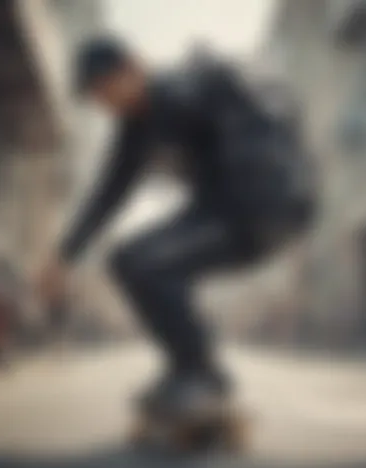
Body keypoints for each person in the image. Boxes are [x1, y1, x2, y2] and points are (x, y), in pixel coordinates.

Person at [40, 36, 315, 414]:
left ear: (132, 68)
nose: (104, 105)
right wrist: (64, 255)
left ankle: (199, 373)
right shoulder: (137, 125)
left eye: (104, 90)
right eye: (95, 98)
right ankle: (192, 368)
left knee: (143, 262)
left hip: (258, 206)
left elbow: (249, 114)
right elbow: (109, 192)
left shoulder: (179, 89)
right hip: (238, 209)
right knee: (131, 259)